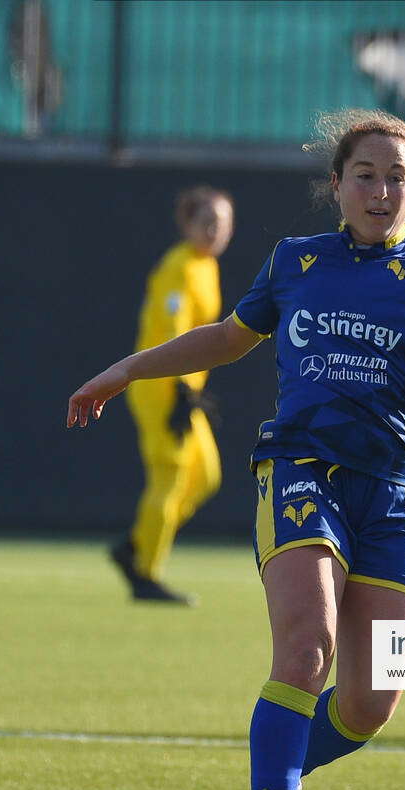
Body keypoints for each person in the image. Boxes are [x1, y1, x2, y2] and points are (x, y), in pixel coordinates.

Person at [67, 110, 405, 790]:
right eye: (366, 174)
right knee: (306, 648)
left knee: (369, 702)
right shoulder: (297, 261)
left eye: (398, 177)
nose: (382, 190)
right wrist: (122, 373)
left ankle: (288, 778)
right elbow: (227, 336)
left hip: (391, 490)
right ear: (337, 186)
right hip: (299, 470)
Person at [110, 186, 235, 605]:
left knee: (205, 475)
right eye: (208, 222)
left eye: (223, 223)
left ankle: (135, 544)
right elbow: (171, 329)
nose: (215, 230)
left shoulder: (207, 266)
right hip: (161, 386)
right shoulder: (179, 266)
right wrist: (181, 386)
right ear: (187, 225)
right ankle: (145, 571)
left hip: (186, 390)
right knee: (172, 475)